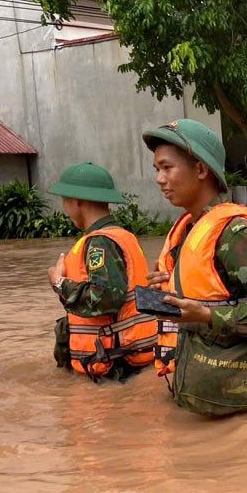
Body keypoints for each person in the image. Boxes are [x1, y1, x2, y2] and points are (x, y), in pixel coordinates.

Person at [142, 118, 247, 415]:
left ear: (201, 170)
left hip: (241, 408)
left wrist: (207, 315)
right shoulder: (189, 230)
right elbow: (211, 290)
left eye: (167, 168)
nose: (159, 179)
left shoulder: (236, 233)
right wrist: (169, 287)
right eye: (157, 170)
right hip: (202, 395)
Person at [47, 162, 157, 381]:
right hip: (123, 359)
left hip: (113, 366)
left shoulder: (100, 243)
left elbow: (106, 297)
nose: (65, 209)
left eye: (65, 201)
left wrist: (60, 283)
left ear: (76, 201)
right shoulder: (122, 236)